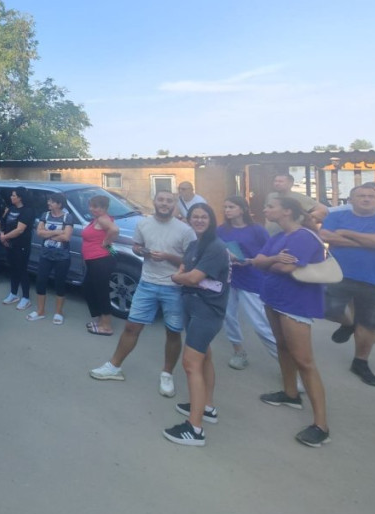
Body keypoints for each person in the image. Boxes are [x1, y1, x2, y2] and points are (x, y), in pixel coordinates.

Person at [90, 190, 195, 397]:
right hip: (146, 284)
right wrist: (140, 251)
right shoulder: (143, 224)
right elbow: (137, 247)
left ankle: (167, 374)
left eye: (169, 201)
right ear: (154, 201)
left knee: (173, 332)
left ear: (174, 204)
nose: (164, 203)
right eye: (161, 199)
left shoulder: (185, 230)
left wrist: (167, 257)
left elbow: (191, 262)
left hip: (173, 287)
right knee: (131, 327)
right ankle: (114, 367)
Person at [251, 196, 330, 447]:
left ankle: (321, 426)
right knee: (282, 347)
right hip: (274, 298)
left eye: (270, 206)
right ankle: (290, 394)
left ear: (287, 211)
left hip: (296, 303)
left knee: (304, 361)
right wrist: (274, 259)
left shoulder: (303, 237)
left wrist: (268, 262)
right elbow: (257, 261)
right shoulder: (278, 236)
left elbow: (287, 269)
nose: (265, 209)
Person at [320, 183, 375, 387]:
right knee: (328, 309)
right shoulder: (336, 217)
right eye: (361, 195)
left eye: (371, 196)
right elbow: (325, 236)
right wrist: (370, 241)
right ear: (351, 200)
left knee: (368, 324)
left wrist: (345, 233)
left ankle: (360, 362)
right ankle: (348, 324)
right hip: (339, 275)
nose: (366, 199)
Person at [163, 203, 230, 447]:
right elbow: (186, 270)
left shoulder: (215, 247)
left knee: (191, 364)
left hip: (207, 311)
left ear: (211, 220)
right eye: (195, 217)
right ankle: (206, 407)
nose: (199, 220)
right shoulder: (194, 245)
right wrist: (184, 277)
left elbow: (190, 276)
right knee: (205, 357)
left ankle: (195, 429)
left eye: (204, 217)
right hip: (192, 306)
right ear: (189, 219)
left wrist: (178, 278)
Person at [217, 196, 276, 370]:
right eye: (225, 207)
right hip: (229, 279)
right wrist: (226, 255)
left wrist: (250, 261)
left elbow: (269, 252)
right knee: (228, 317)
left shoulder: (257, 230)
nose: (227, 210)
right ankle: (239, 351)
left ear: (242, 209)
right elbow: (215, 249)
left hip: (252, 279)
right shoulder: (221, 230)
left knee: (260, 323)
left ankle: (287, 363)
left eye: (231, 207)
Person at [27, 193, 74, 325]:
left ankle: (58, 312)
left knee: (59, 283)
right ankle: (40, 311)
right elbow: (39, 232)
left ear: (59, 204)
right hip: (45, 255)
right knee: (40, 281)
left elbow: (66, 237)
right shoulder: (45, 215)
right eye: (49, 201)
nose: (49, 203)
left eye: (52, 201)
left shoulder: (67, 217)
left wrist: (47, 234)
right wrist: (57, 232)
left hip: (62, 257)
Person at [81, 195, 119, 335]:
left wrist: (106, 242)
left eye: (96, 207)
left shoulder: (103, 219)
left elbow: (114, 230)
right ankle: (101, 321)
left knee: (101, 292)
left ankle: (106, 326)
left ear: (104, 208)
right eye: (91, 206)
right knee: (89, 288)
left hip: (101, 260)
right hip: (96, 260)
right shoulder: (98, 219)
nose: (92, 209)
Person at [0, 187, 35, 310]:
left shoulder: (27, 211)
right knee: (13, 270)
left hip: (21, 246)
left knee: (22, 270)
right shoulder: (11, 208)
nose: (11, 197)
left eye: (14, 195)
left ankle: (26, 298)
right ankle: (13, 294)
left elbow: (20, 230)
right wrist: (2, 235)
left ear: (20, 197)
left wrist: (4, 238)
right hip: (9, 245)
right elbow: (2, 222)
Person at [264, 173, 328, 234]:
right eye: (275, 181)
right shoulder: (271, 196)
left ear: (290, 183)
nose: (277, 184)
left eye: (281, 181)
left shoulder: (299, 197)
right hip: (271, 234)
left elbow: (323, 210)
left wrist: (307, 218)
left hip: (290, 234)